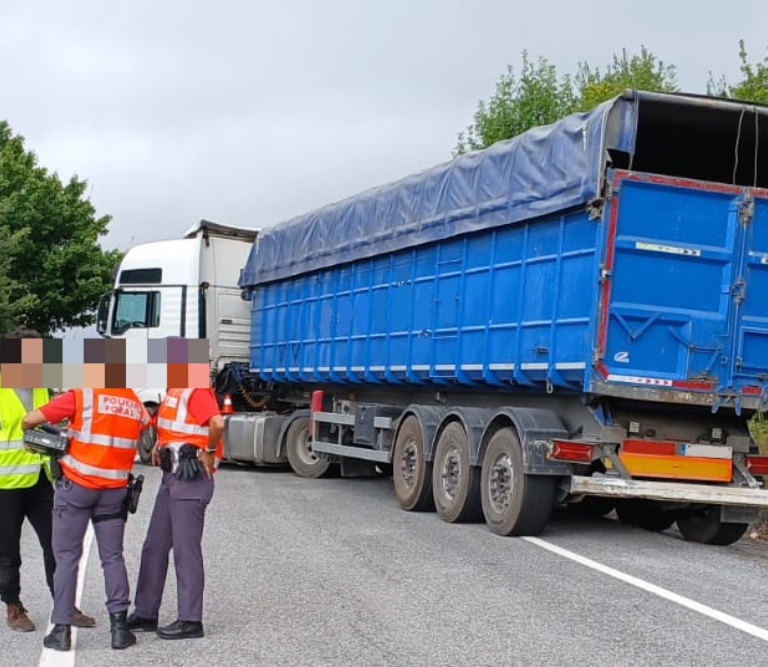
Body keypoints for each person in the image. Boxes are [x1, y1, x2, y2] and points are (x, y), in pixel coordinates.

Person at [22, 387, 150, 651]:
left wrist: (40, 436)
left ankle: (61, 630)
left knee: (67, 558)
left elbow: (30, 419)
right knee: (113, 557)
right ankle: (119, 630)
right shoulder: (134, 401)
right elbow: (148, 429)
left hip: (77, 488)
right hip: (114, 490)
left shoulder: (83, 395)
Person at [0, 326, 95, 633]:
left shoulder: (41, 387)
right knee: (7, 552)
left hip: (40, 479)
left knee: (58, 544)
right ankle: (13, 605)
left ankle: (64, 604)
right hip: (5, 484)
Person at [127, 387, 224, 640]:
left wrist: (209, 451)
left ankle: (191, 620)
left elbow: (217, 423)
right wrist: (160, 444)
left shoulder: (195, 389)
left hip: (190, 479)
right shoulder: (174, 391)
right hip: (171, 477)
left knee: (185, 551)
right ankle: (146, 613)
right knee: (154, 546)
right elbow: (174, 428)